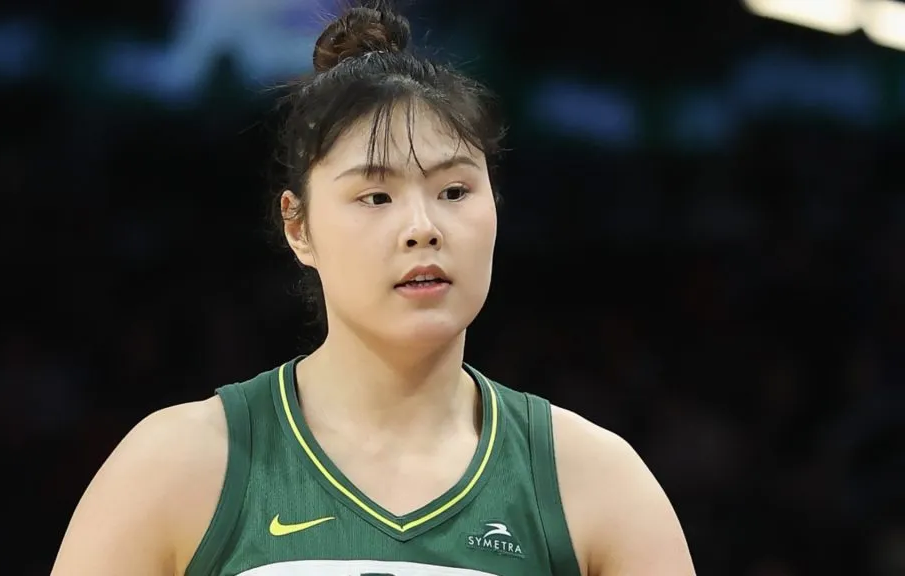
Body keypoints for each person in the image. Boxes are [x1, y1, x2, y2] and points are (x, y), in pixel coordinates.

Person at [50, 4, 696, 575]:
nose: (423, 229)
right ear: (298, 228)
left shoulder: (599, 485)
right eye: (376, 195)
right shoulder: (176, 468)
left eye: (454, 191)